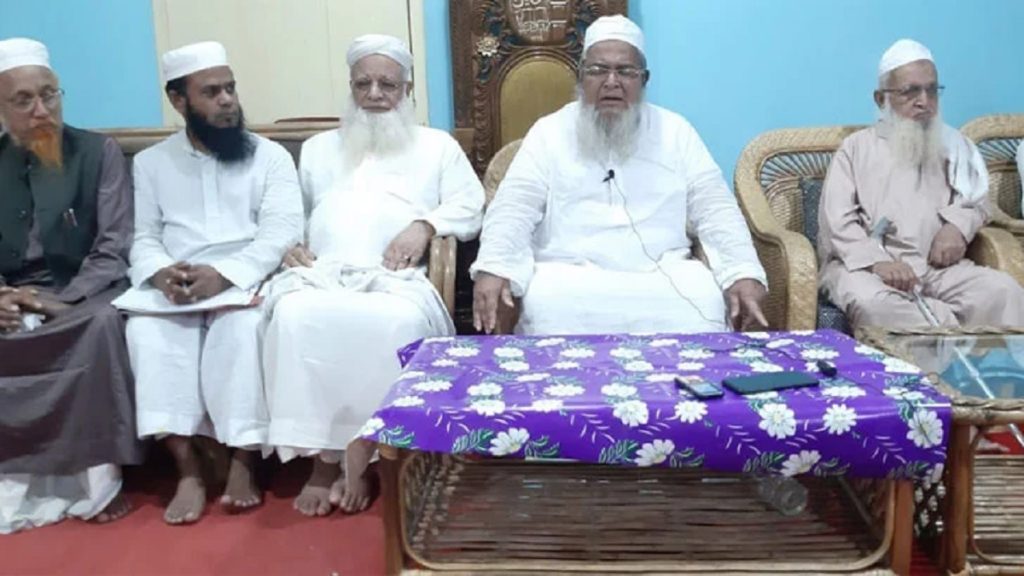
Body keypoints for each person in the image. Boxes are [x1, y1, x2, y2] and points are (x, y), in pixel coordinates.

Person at [262, 34, 484, 516]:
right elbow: (291, 214)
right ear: (351, 87)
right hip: (322, 273)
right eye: (363, 84)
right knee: (293, 317)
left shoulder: (437, 146)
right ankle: (322, 460)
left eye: (387, 84)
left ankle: (374, 456)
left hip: (395, 279)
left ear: (408, 90)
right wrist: (290, 245)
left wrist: (426, 225)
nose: (375, 94)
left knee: (396, 323)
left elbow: (471, 205)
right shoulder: (318, 148)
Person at [470, 15, 767, 336]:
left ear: (644, 80)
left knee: (703, 298)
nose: (611, 82)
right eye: (598, 70)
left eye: (625, 71)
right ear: (581, 77)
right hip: (568, 278)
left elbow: (715, 209)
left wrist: (743, 272)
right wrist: (494, 266)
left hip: (663, 278)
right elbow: (514, 207)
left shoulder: (676, 132)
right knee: (544, 300)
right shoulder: (549, 132)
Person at [127, 41, 303, 524]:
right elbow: (143, 237)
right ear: (178, 100)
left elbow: (282, 232)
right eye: (211, 92)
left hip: (249, 277)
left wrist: (225, 275)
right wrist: (160, 272)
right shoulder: (151, 163)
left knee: (242, 333)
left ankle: (244, 460)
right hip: (176, 283)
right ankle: (187, 468)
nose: (227, 100)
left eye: (230, 88)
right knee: (148, 335)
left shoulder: (269, 157)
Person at [0, 37, 141, 533]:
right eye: (23, 100)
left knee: (100, 325)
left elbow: (114, 244)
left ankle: (97, 484)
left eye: (49, 95)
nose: (42, 111)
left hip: (85, 290)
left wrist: (61, 299)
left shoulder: (98, 152)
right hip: (12, 292)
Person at [818, 39, 1024, 330]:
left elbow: (976, 201)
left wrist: (957, 227)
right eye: (910, 91)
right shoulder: (855, 149)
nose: (924, 101)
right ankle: (938, 344)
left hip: (938, 270)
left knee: (1004, 292)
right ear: (881, 99)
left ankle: (981, 360)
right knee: (875, 305)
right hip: (865, 270)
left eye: (932, 90)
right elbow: (837, 222)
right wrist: (878, 262)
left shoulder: (953, 145)